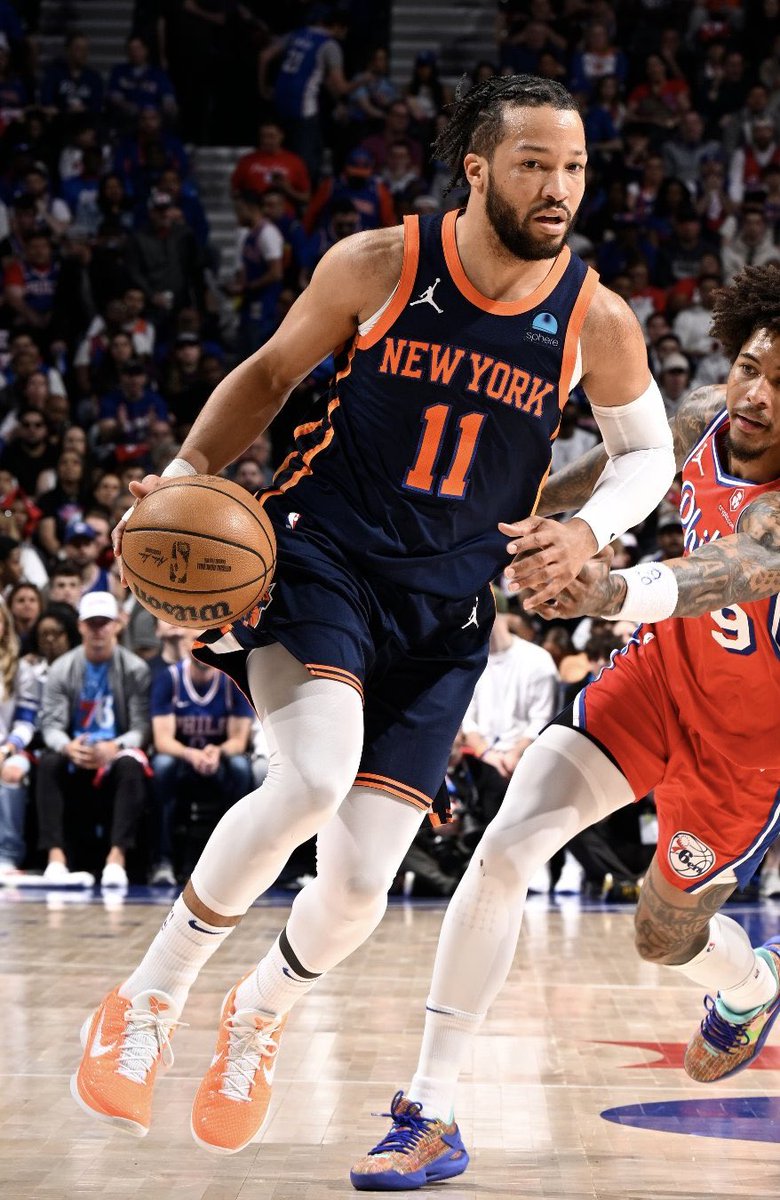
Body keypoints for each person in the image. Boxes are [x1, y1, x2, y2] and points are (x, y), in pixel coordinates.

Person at [71, 75, 673, 1156]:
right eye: (535, 162)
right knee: (309, 778)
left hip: (447, 610)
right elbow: (265, 376)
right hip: (323, 559)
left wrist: (591, 531)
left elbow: (647, 458)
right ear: (478, 167)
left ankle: (259, 1010)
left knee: (357, 887)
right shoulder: (380, 263)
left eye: (575, 166)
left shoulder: (595, 317)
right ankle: (147, 999)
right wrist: (184, 470)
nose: (560, 187)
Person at [350, 264, 780, 1190]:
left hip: (749, 751)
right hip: (660, 677)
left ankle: (752, 986)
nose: (756, 392)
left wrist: (614, 587)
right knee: (504, 850)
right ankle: (431, 1110)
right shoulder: (715, 409)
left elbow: (733, 572)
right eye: (751, 365)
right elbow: (613, 465)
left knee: (661, 937)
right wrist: (530, 518)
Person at [36, 591, 150, 888]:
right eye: (92, 623)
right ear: (81, 626)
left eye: (104, 622)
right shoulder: (61, 669)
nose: (98, 629)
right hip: (77, 751)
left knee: (130, 766)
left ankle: (117, 858)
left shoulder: (135, 669)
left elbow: (141, 728)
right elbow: (50, 725)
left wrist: (116, 746)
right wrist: (66, 746)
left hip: (114, 751)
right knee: (49, 762)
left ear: (117, 625)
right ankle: (56, 858)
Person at [149, 627, 254, 886]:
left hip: (218, 759)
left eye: (207, 639)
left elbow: (239, 742)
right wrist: (191, 754)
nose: (202, 645)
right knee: (161, 766)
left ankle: (236, 863)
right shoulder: (170, 679)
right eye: (195, 640)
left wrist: (216, 751)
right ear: (185, 644)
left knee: (241, 768)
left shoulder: (231, 680)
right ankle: (162, 860)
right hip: (182, 759)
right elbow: (162, 741)